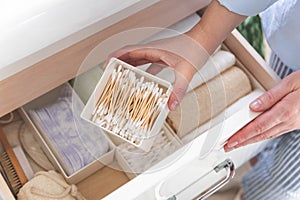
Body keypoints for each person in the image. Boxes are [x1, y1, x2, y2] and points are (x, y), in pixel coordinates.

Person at [108, 0, 300, 199]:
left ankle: (255, 192)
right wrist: (202, 36)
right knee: (270, 121)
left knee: (280, 179)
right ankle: (255, 162)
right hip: (291, 40)